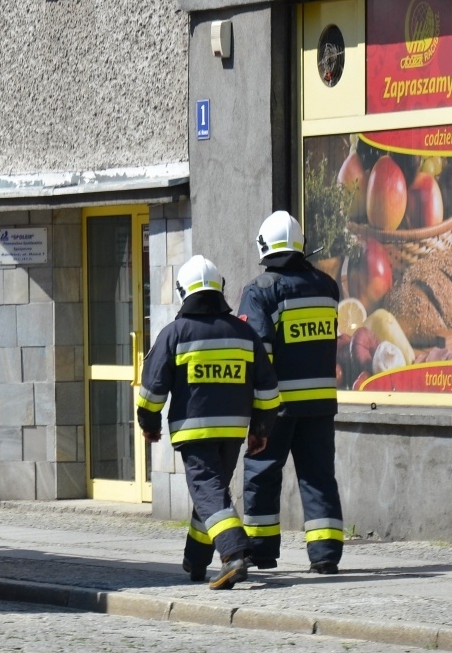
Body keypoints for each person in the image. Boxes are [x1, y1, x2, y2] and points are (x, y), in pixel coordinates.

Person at [137, 255, 279, 590]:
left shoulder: (175, 333)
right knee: (213, 495)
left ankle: (233, 555)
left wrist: (149, 423)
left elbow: (151, 390)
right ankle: (196, 560)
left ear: (183, 291)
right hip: (233, 433)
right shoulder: (244, 333)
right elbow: (269, 390)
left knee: (210, 494)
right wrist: (260, 431)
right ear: (220, 290)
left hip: (194, 432)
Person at [236, 210, 346, 574]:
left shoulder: (259, 292)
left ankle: (262, 551)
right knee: (318, 477)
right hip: (319, 405)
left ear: (265, 248)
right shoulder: (327, 286)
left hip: (277, 407)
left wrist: (256, 414)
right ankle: (326, 554)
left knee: (262, 472)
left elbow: (258, 357)